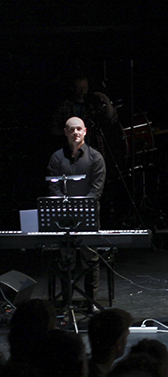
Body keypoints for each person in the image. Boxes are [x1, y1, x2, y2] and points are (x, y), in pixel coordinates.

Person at [47, 116, 107, 310]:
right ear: (65, 132)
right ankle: (67, 302)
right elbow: (53, 186)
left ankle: (91, 301)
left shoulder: (95, 157)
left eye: (79, 129)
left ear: (85, 131)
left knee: (90, 259)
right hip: (64, 216)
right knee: (66, 259)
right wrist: (66, 206)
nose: (75, 132)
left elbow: (96, 190)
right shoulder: (57, 157)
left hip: (87, 214)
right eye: (71, 129)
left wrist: (81, 208)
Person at [54, 75, 117, 142]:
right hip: (73, 145)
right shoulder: (65, 106)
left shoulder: (92, 104)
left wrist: (106, 101)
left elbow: (111, 117)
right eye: (79, 88)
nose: (82, 91)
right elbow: (54, 130)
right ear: (73, 89)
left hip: (93, 144)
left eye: (84, 88)